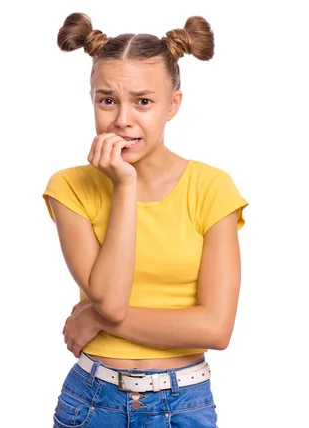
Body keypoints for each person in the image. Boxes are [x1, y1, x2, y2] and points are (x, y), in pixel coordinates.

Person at [42, 12, 249, 428]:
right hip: (90, 401)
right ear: (92, 100)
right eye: (107, 100)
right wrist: (125, 186)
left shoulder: (211, 188)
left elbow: (215, 329)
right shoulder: (69, 188)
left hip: (183, 402)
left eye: (143, 101)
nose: (122, 119)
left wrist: (97, 319)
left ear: (173, 104)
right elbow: (111, 297)